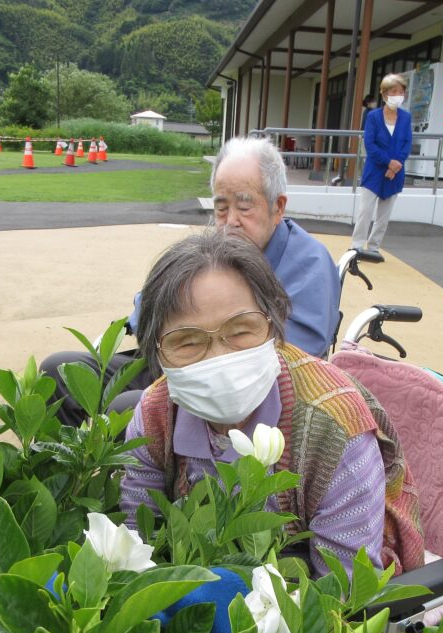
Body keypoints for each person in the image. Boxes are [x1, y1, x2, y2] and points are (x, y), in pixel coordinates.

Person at [120, 231, 424, 577]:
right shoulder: (155, 415)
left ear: (274, 327)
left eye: (240, 331)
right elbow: (138, 540)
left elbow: (341, 587)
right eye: (187, 341)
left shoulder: (336, 430)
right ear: (157, 353)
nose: (220, 357)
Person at [41, 136, 341, 426]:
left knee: (127, 409)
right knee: (60, 370)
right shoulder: (215, 248)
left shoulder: (310, 264)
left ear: (278, 207)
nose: (231, 220)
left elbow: (290, 360)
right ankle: (73, 475)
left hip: (235, 393)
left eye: (245, 206)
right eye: (221, 208)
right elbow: (148, 305)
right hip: (174, 364)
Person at [351, 74, 412, 260]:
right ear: (385, 94)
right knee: (365, 211)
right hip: (375, 169)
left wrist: (395, 166)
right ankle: (356, 246)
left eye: (401, 92)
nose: (398, 96)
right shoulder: (373, 116)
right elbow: (370, 144)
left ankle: (375, 247)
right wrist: (388, 162)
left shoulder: (406, 117)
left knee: (384, 215)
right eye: (394, 92)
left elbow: (406, 143)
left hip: (395, 173)